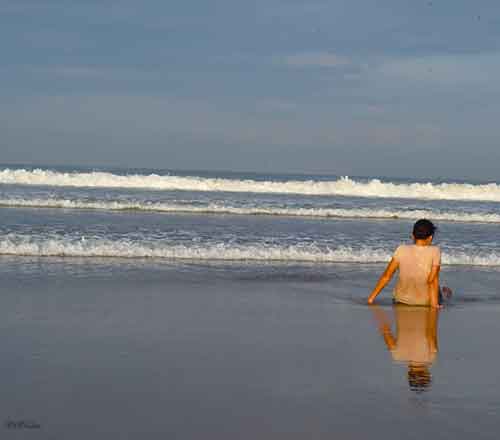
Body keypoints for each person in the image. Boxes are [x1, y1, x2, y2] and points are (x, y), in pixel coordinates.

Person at [367, 219, 451, 308]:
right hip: (425, 301)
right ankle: (446, 293)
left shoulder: (401, 249)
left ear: (412, 235)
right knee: (446, 293)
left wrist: (371, 298)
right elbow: (432, 280)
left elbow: (386, 276)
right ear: (430, 237)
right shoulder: (435, 251)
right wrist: (434, 305)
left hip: (400, 300)